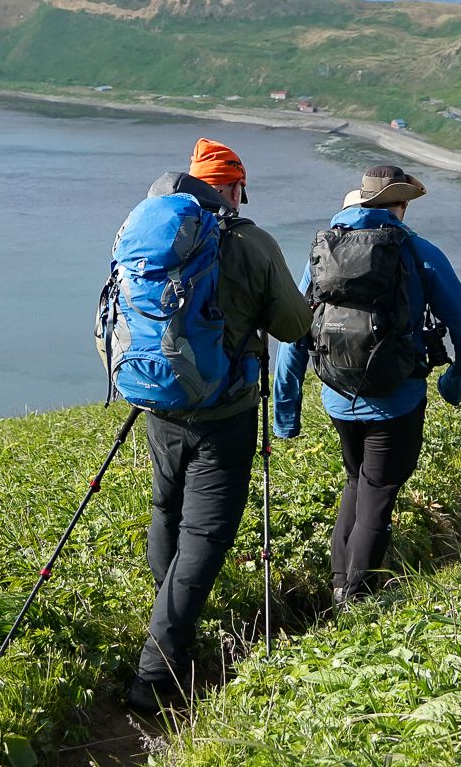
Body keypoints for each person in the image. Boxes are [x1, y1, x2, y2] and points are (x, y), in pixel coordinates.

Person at [120, 138, 308, 716]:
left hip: (158, 402)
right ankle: (157, 673)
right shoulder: (251, 243)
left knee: (166, 510)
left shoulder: (149, 237)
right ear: (230, 189)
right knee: (205, 534)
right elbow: (294, 322)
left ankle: (168, 618)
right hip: (225, 412)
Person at [272, 162, 461, 609]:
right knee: (379, 493)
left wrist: (286, 411)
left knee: (357, 479)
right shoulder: (419, 253)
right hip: (397, 400)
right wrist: (453, 382)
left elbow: (296, 331)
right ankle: (357, 598)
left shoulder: (324, 251)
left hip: (337, 397)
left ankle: (337, 582)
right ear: (400, 205)